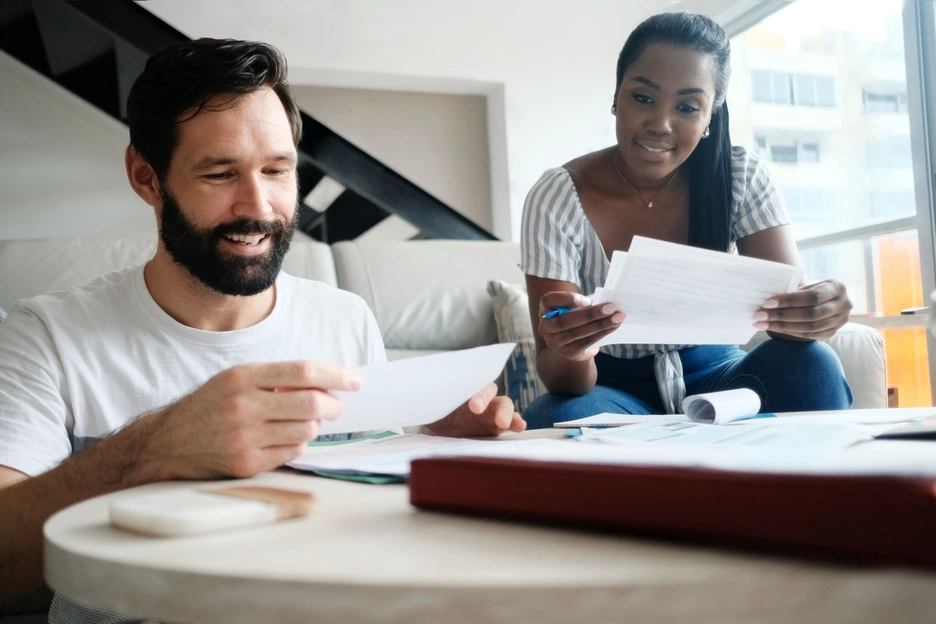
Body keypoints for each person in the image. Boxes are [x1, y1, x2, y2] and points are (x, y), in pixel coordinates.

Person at [0, 38, 525, 620]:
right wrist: (152, 451)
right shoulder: (47, 334)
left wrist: (432, 444)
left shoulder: (343, 318)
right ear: (146, 178)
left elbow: (379, 526)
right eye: (220, 173)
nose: (260, 206)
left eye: (277, 170)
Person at [520, 12, 853, 428]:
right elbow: (561, 379)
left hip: (722, 376)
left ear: (710, 116)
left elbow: (788, 328)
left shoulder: (740, 176)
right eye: (642, 98)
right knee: (559, 418)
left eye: (687, 107)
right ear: (616, 96)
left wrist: (816, 313)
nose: (660, 125)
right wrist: (573, 349)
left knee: (813, 365)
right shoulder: (556, 196)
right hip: (608, 386)